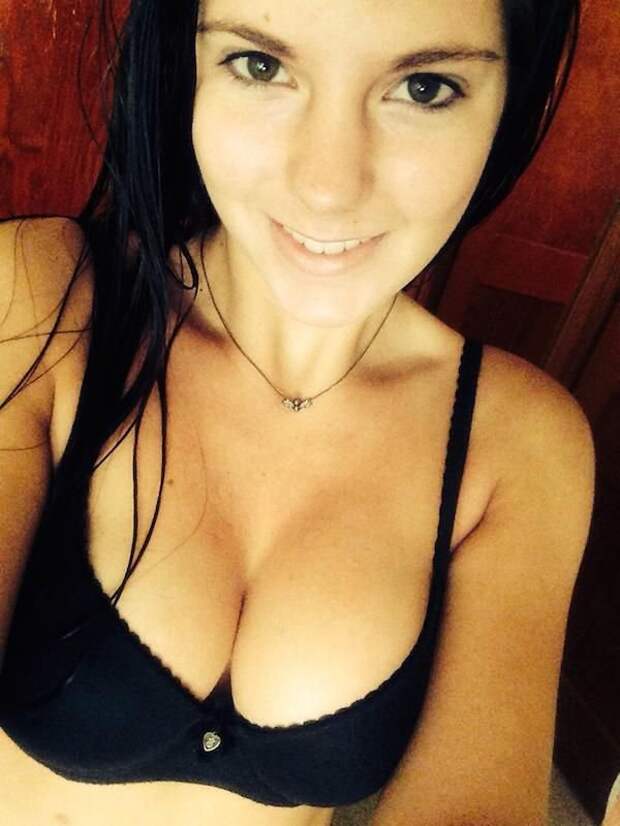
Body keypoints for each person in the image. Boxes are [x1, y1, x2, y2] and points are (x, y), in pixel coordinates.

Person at [0, 1, 595, 825]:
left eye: (425, 87)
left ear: (508, 104)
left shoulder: (520, 442)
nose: (328, 187)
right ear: (186, 69)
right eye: (261, 66)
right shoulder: (40, 302)